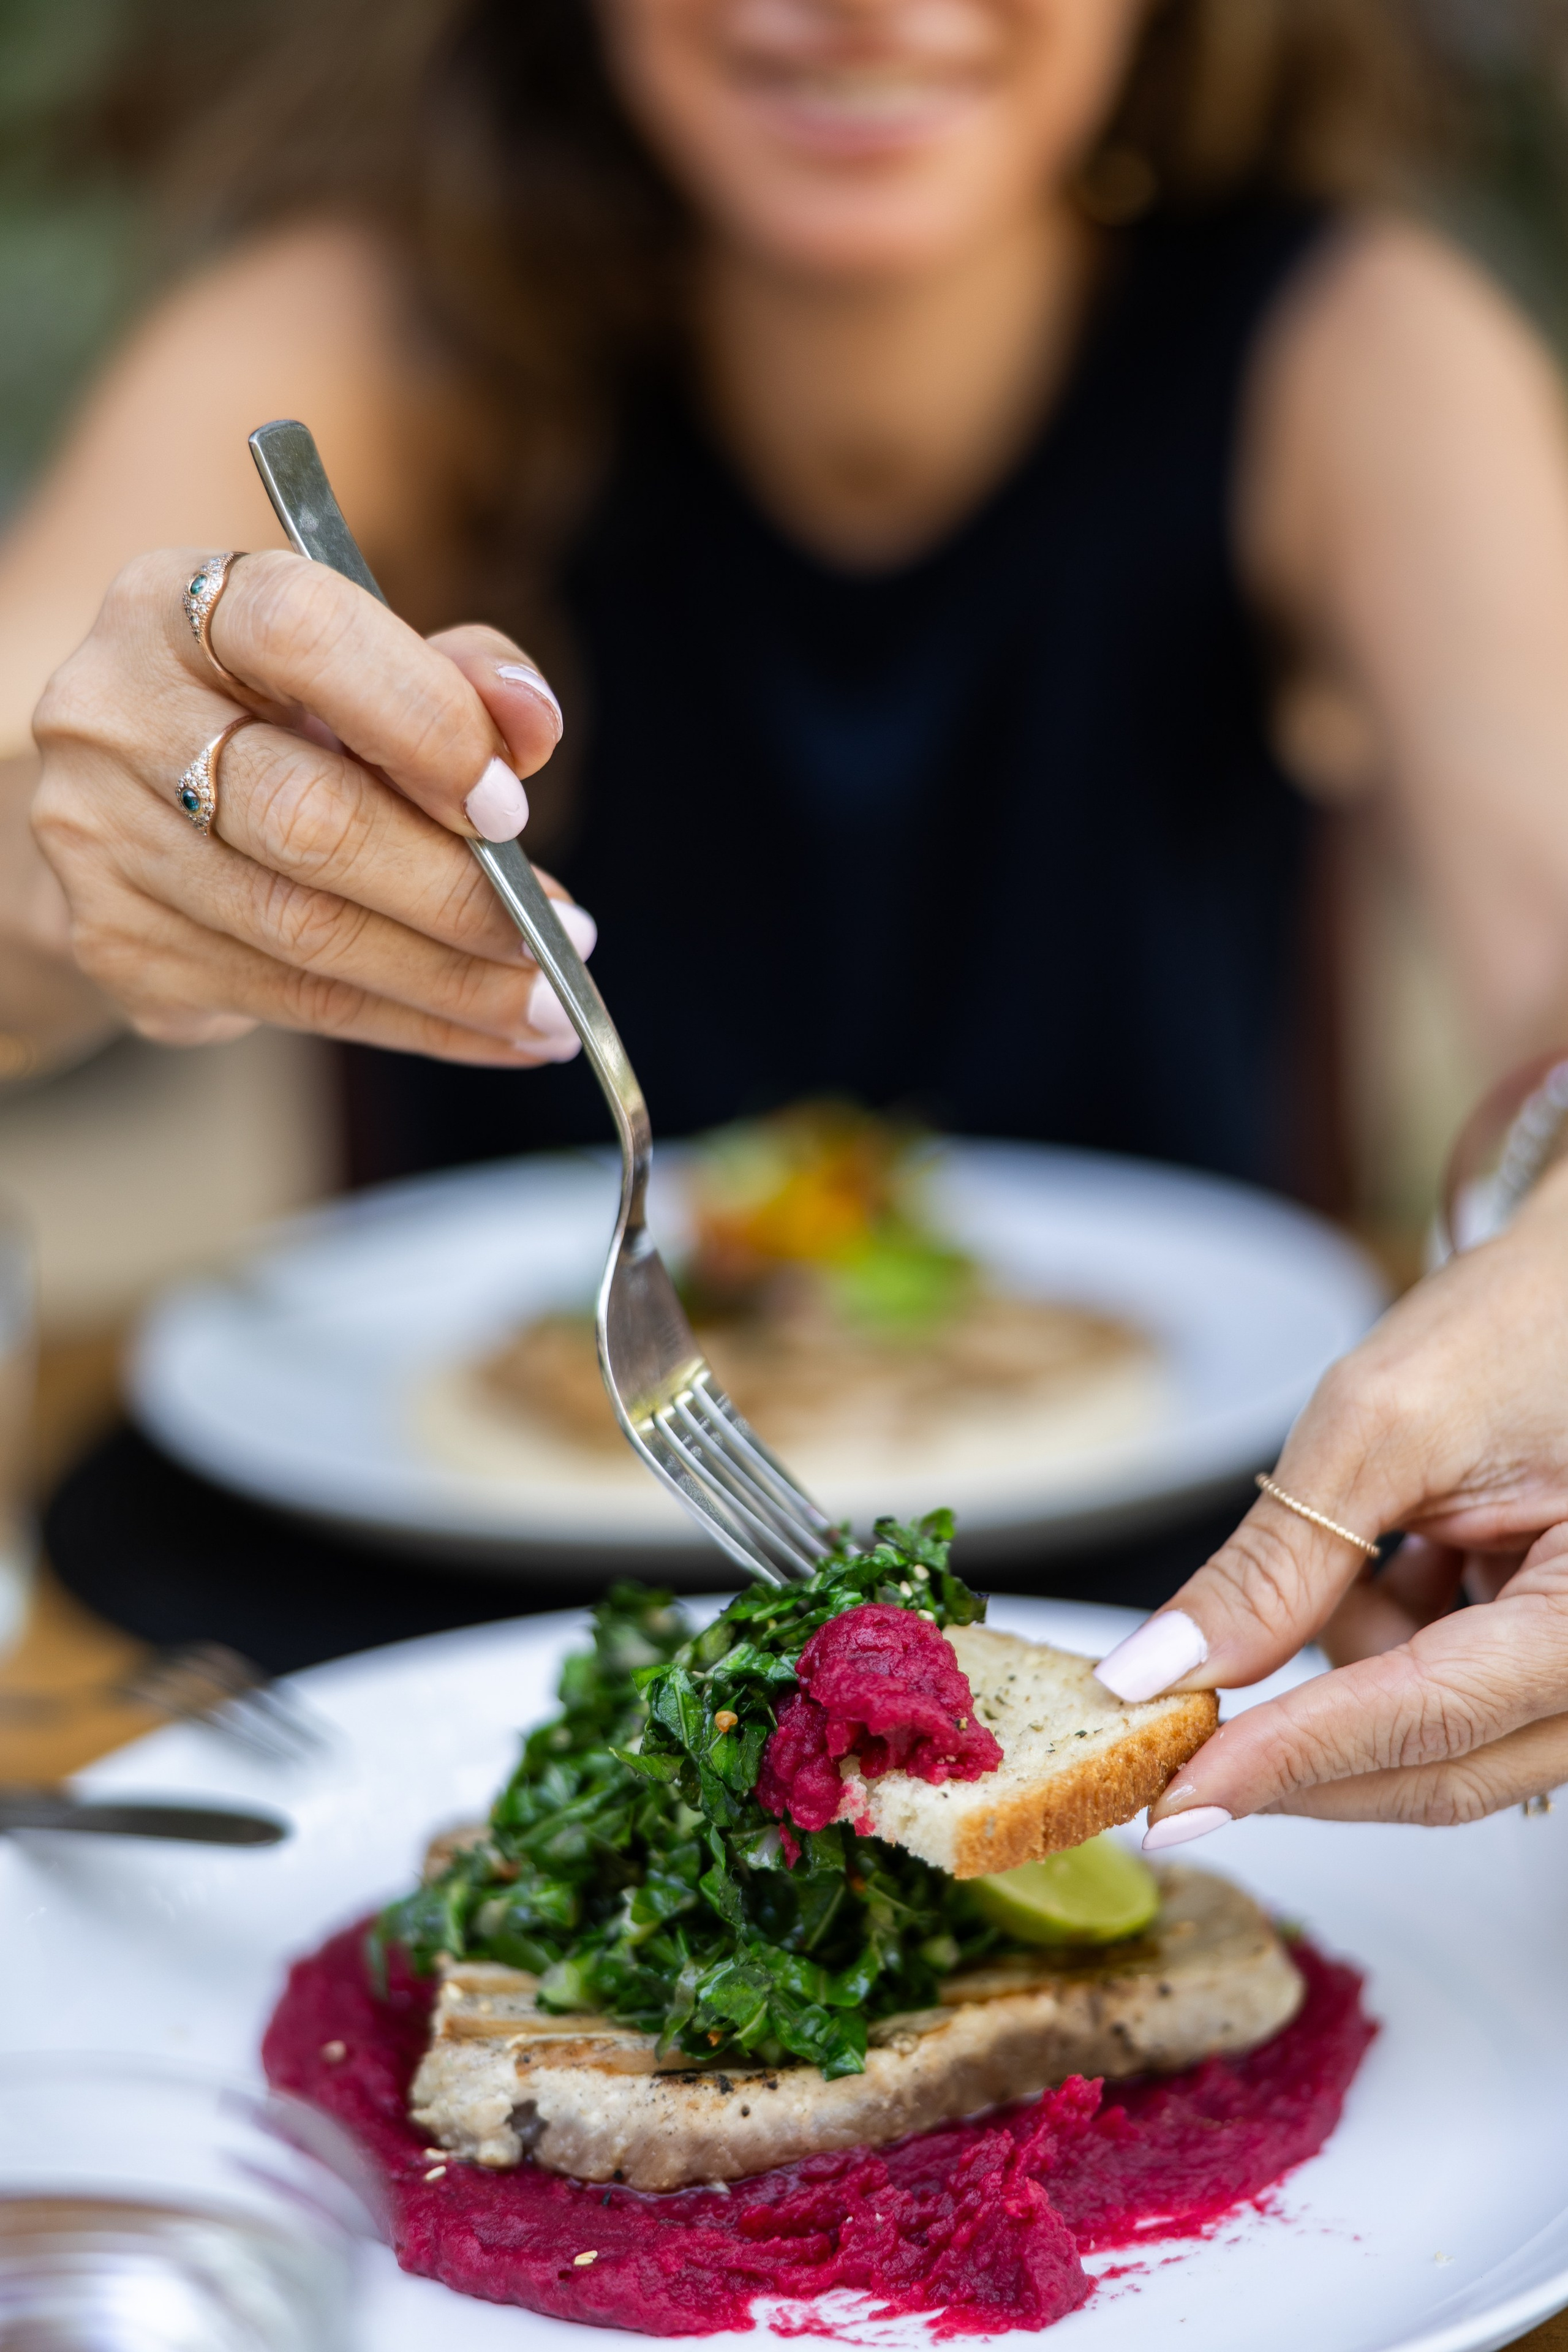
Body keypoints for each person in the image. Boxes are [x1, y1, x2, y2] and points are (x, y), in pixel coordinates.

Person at [5, 0, 1568, 1819]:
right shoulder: (363, 321)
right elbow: (41, 775)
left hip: (1210, 1634)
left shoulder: (1350, 344)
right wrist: (71, 869)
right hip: (411, 1671)